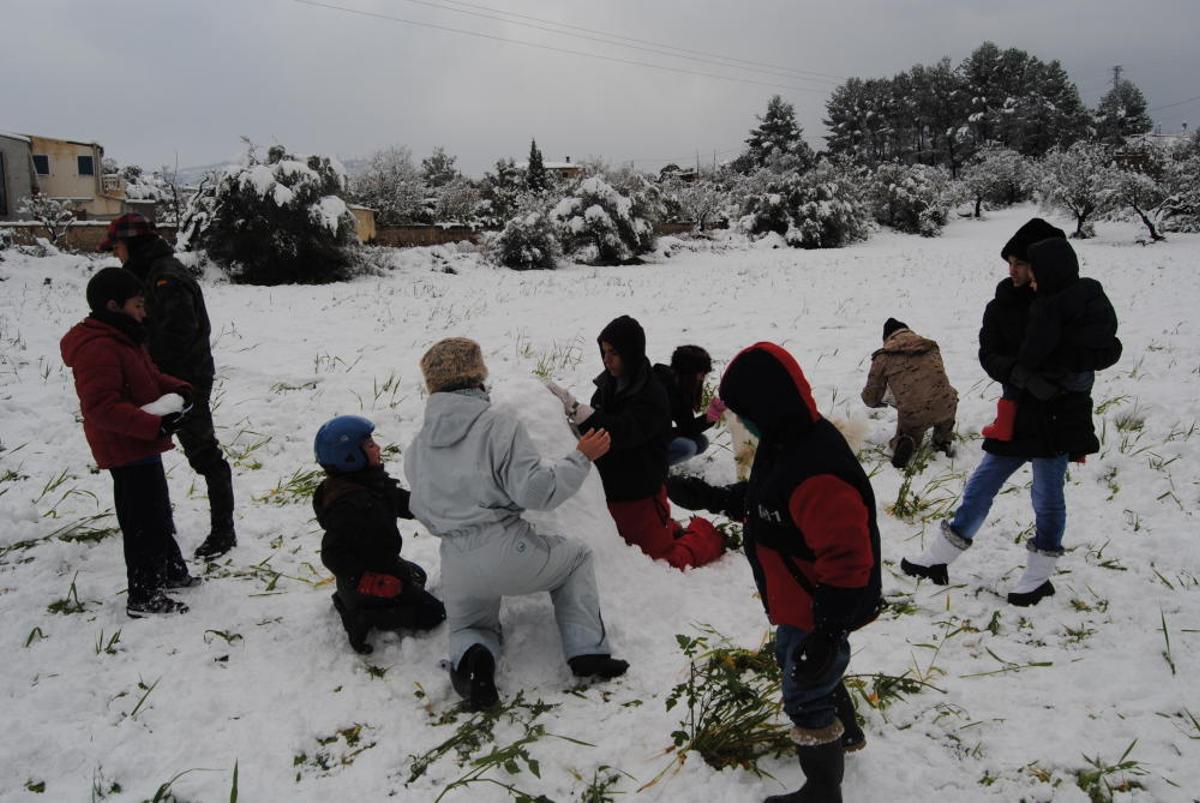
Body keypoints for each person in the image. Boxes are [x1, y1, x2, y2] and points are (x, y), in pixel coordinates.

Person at [666, 342, 882, 803]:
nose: (740, 423)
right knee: (804, 664)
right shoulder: (785, 442)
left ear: (770, 403)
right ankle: (845, 734)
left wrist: (826, 633)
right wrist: (709, 497)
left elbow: (848, 560)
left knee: (804, 692)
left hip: (819, 604)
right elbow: (766, 501)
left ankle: (823, 791)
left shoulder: (818, 469)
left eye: (745, 412)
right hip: (798, 600)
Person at [902, 221, 1122, 606]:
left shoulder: (1071, 301)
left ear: (1041, 266)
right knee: (982, 484)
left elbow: (1103, 350)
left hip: (1055, 415)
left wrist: (1062, 373)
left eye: (1021, 263)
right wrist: (1019, 374)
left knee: (1047, 494)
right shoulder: (1002, 304)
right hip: (1017, 411)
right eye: (1010, 261)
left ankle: (1040, 575)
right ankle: (940, 557)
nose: (1013, 270)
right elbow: (989, 353)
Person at [405, 337, 628, 710]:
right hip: (508, 550)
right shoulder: (499, 426)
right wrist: (580, 457)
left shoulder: (418, 446)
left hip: (457, 562)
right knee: (575, 560)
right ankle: (587, 653)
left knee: (469, 627)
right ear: (477, 377)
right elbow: (537, 493)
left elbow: (422, 509)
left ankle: (474, 667)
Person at [61, 268, 200, 618]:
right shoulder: (99, 347)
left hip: (140, 443)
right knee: (143, 523)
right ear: (113, 305)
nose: (145, 311)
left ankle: (169, 571)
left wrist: (180, 387)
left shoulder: (124, 335)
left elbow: (150, 377)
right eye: (138, 305)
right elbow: (101, 408)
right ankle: (144, 594)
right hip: (124, 447)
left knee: (157, 512)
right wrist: (154, 424)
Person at [100, 213, 236, 559]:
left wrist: (162, 381)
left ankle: (224, 531)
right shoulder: (145, 274)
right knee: (145, 455)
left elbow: (176, 336)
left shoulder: (166, 278)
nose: (115, 254)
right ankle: (158, 522)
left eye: (116, 247)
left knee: (205, 456)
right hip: (159, 380)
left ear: (132, 244)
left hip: (183, 383)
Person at [547, 316, 725, 570]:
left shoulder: (652, 394)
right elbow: (601, 429)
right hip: (608, 496)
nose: (607, 359)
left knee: (662, 561)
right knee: (618, 551)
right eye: (604, 352)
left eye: (614, 353)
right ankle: (667, 527)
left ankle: (707, 535)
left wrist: (579, 411)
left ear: (630, 352)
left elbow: (623, 431)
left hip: (640, 496)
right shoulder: (606, 386)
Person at [313, 415, 446, 655]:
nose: (378, 448)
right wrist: (366, 581)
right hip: (366, 580)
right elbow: (332, 553)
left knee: (418, 575)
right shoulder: (350, 505)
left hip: (378, 564)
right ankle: (363, 616)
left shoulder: (367, 484)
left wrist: (434, 506)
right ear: (350, 457)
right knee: (434, 613)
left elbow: (399, 501)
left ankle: (348, 597)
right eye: (370, 445)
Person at [861, 318, 959, 468]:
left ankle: (905, 441)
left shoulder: (883, 357)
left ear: (887, 338)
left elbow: (870, 397)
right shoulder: (930, 346)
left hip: (915, 413)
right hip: (947, 403)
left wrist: (878, 401)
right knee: (944, 399)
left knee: (910, 425)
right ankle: (943, 441)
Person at [652, 345, 716, 466]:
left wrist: (711, 417)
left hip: (658, 435)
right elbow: (653, 431)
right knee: (687, 447)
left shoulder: (680, 387)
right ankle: (650, 473)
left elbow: (687, 426)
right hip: (641, 441)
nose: (702, 378)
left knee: (701, 442)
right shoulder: (659, 388)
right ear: (688, 373)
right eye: (700, 373)